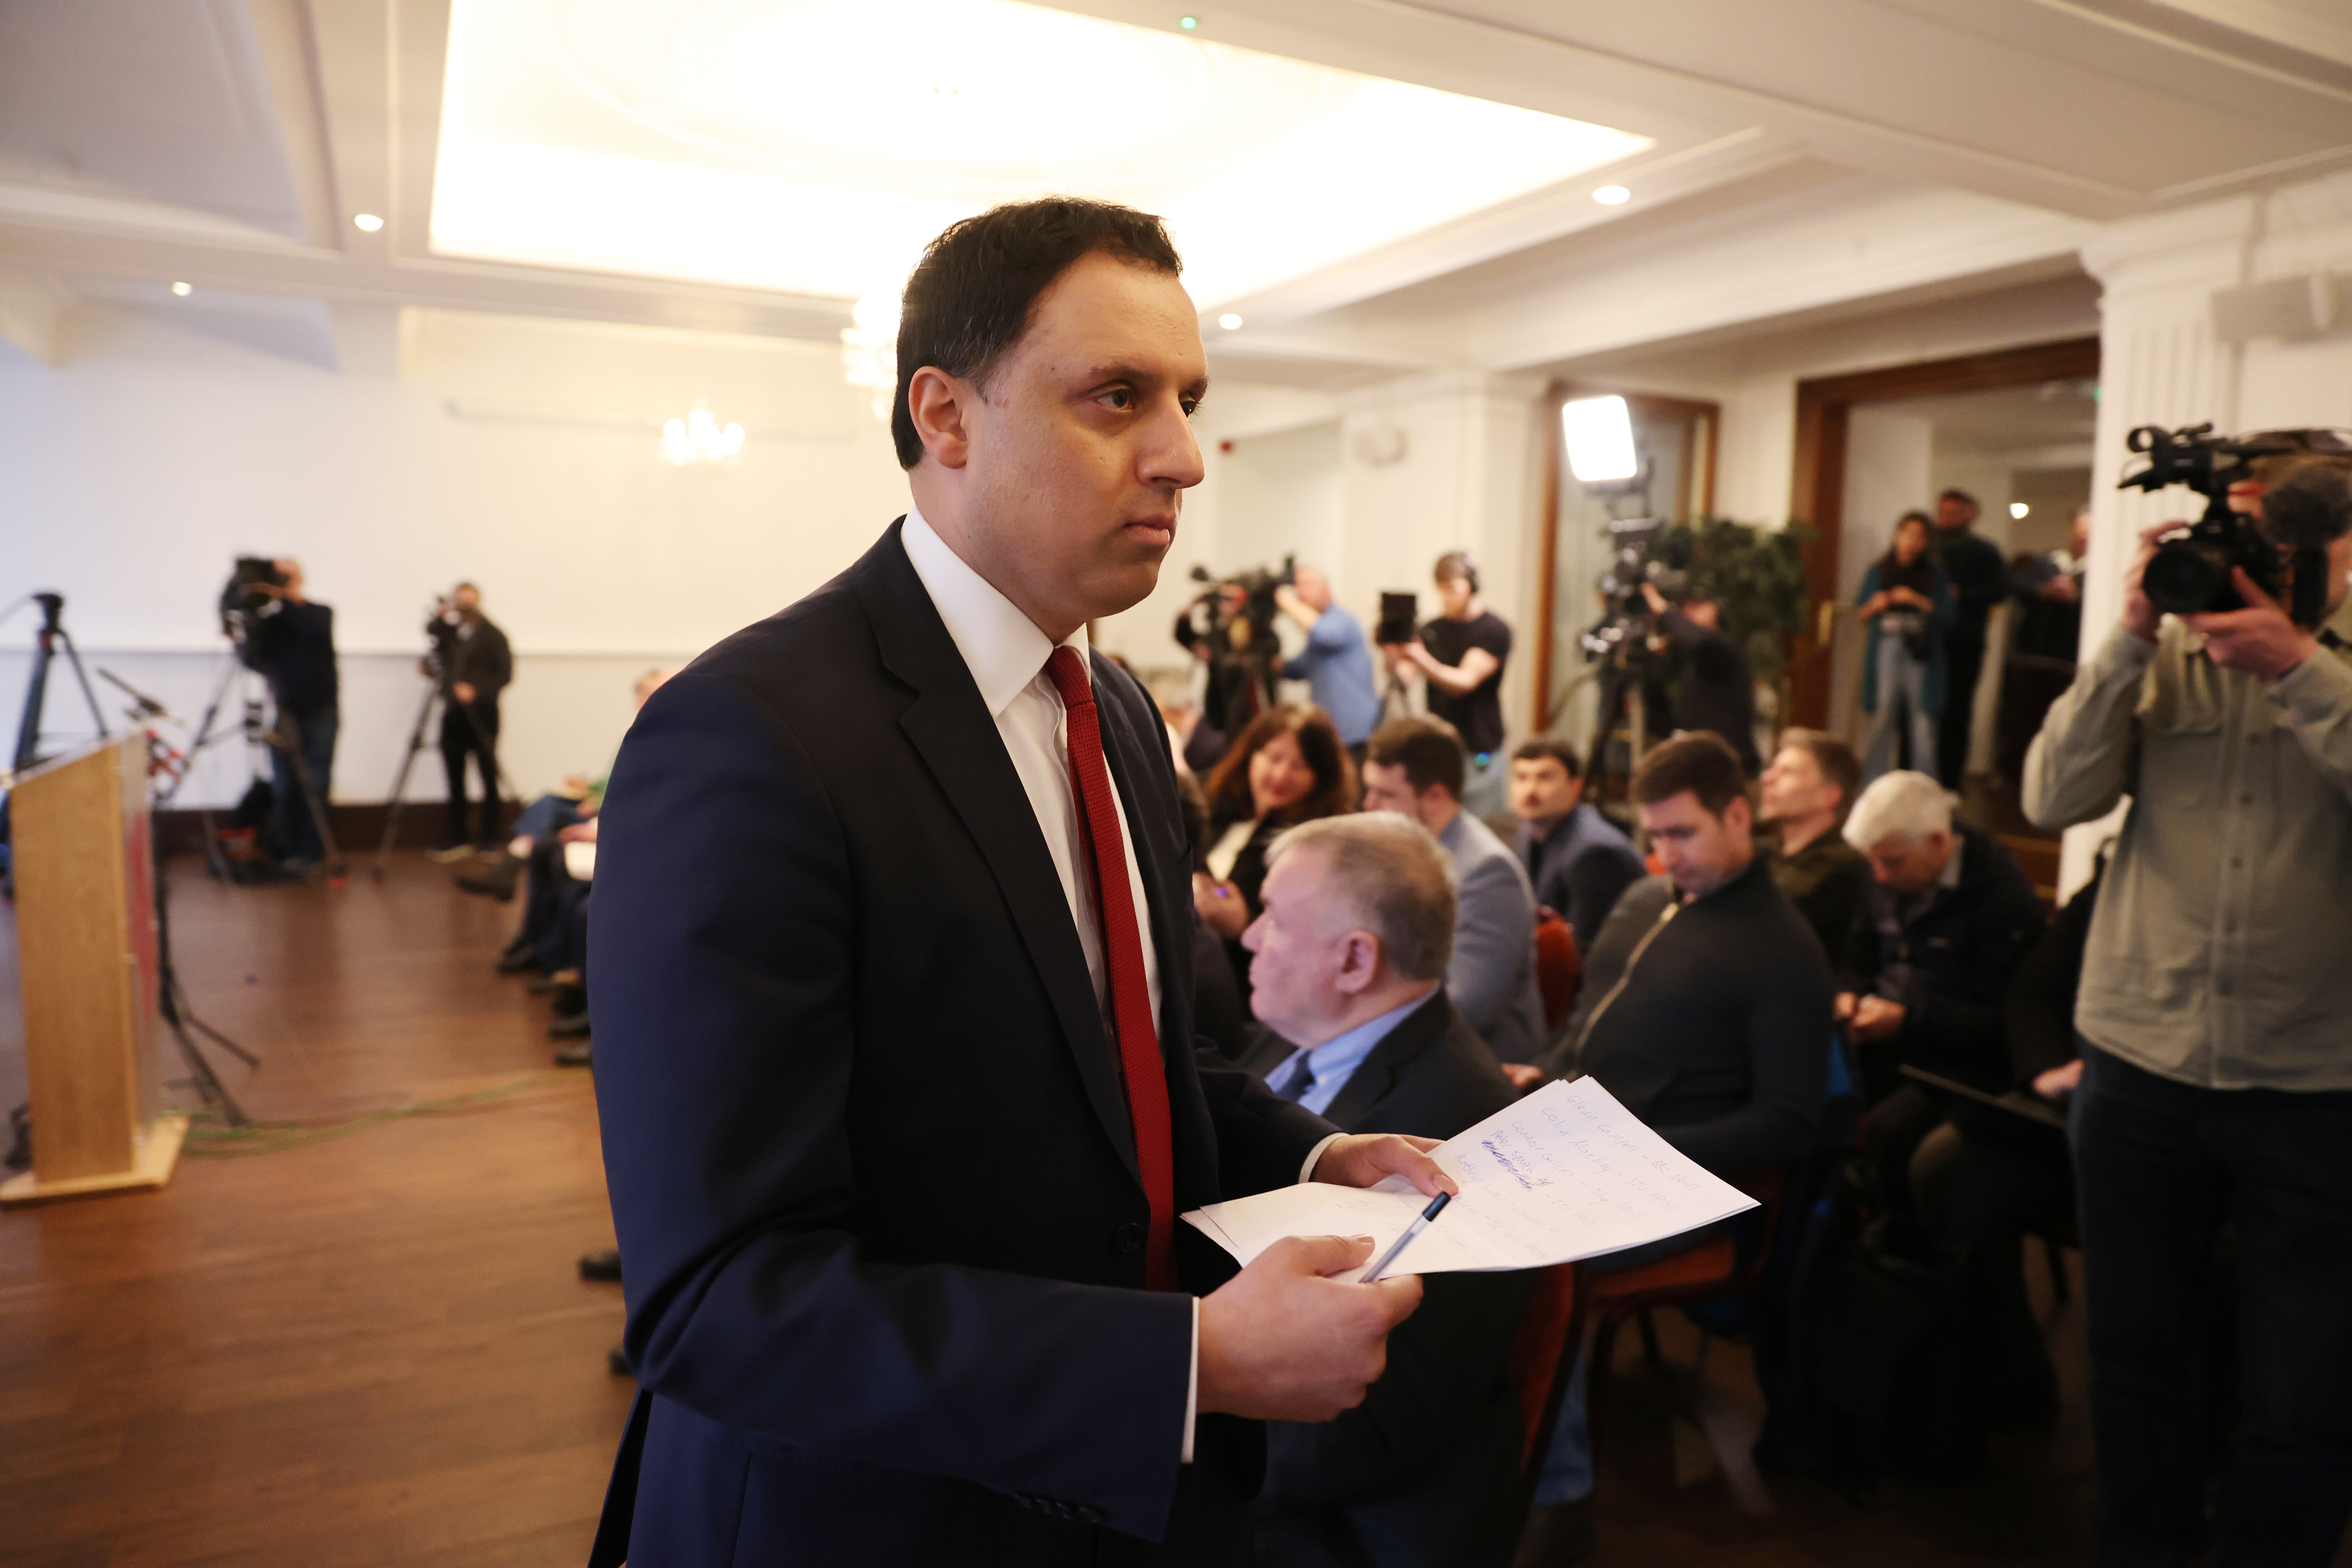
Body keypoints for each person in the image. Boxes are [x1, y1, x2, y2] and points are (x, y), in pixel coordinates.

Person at [587, 197, 1457, 1568]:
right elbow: (722, 1299)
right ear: (947, 418)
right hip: (878, 1521)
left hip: (1136, 1510)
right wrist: (1186, 1365)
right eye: (1118, 396)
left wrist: (1317, 1154)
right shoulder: (749, 734)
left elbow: (1135, 1068)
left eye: (1186, 399)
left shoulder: (1113, 710)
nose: (1180, 459)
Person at [2022, 443, 2352, 1567]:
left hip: (2316, 1085)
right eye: (2240, 527)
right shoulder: (2165, 654)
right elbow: (2053, 795)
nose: (2252, 554)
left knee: (2304, 1397)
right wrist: (2123, 642)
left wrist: (2305, 668)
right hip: (2138, 1069)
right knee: (2132, 1370)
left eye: (2280, 533)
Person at [1521, 733, 1832, 1556]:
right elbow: (1585, 1030)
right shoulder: (1660, 901)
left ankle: (1558, 1502)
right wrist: (1540, 1084)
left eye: (1684, 834)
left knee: (1522, 1266)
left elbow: (1790, 1121)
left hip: (1687, 1183)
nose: (1665, 854)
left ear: (1740, 814)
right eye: (1654, 836)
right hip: (1592, 1144)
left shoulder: (1783, 949)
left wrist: (1642, 1149)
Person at [1234, 814, 1532, 1568]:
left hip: (1338, 1523)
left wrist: (1168, 1422)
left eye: (1272, 915)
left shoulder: (1454, 1131)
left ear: (1355, 960)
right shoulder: (1291, 1038)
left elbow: (1372, 1436)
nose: (1249, 936)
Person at [1909, 856, 2102, 1437]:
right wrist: (2048, 1070)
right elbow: (2034, 991)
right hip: (2079, 1110)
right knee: (1948, 1166)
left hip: (2203, 1143)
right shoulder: (2118, 883)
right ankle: (2010, 1375)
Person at [1837, 770, 2045, 1241]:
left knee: (1891, 1131)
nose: (1881, 877)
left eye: (1892, 863)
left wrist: (1910, 1021)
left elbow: (2006, 1025)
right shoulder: (1886, 868)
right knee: (1809, 1095)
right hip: (1886, 1040)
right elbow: (1858, 957)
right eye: (1874, 862)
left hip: (1960, 1067)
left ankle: (1906, 1253)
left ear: (1936, 841)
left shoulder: (2004, 901)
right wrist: (1846, 993)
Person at [1361, 717, 1547, 1065]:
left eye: (1386, 794)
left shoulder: (1487, 873)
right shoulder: (1406, 852)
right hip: (1421, 1048)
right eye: (1368, 790)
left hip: (1480, 1067)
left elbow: (1468, 1009)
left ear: (1435, 797)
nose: (1369, 805)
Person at [1193, 705, 1357, 1009]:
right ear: (1250, 755)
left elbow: (1312, 950)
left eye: (1300, 766)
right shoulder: (1219, 809)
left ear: (1321, 778)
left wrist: (1242, 924)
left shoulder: (1313, 847)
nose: (1282, 774)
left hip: (1247, 996)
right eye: (1274, 758)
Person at [465, 667, 672, 901]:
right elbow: (613, 780)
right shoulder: (640, 732)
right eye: (639, 694)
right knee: (548, 808)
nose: (641, 700)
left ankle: (510, 867)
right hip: (602, 807)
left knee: (548, 822)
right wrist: (590, 788)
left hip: (614, 817)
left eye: (647, 693)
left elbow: (640, 790)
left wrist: (598, 803)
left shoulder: (661, 740)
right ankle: (514, 874)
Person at [1382, 552, 1512, 817]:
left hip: (1478, 749)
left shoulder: (1494, 630)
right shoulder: (1431, 629)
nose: (1446, 596)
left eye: (1452, 588)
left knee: (1483, 827)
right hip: (1441, 748)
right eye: (1441, 589)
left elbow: (1464, 682)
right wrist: (1395, 655)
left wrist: (1420, 657)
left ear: (1472, 585)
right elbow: (1403, 680)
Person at [1505, 736, 1644, 953]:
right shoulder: (1527, 830)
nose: (1530, 790)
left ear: (1576, 787)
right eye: (1521, 778)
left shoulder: (1596, 853)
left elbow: (1579, 952)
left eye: (1545, 778)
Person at [241, 557, 337, 873]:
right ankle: (287, 850)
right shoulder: (274, 622)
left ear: (301, 579)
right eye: (278, 577)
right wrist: (245, 622)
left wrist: (284, 598)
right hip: (285, 714)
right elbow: (255, 660)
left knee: (316, 783)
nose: (282, 582)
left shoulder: (319, 613)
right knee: (286, 785)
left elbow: (311, 631)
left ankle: (312, 853)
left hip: (321, 713)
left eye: (288, 576)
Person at [1757, 727, 1871, 970]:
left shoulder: (1843, 863)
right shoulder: (1764, 853)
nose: (1767, 778)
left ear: (1827, 796)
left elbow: (1765, 919)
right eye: (1772, 769)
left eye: (1787, 772)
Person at [1856, 511, 1955, 784]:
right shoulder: (1879, 572)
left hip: (1920, 652)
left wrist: (1916, 600)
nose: (1912, 541)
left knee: (1923, 723)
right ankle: (1872, 785)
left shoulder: (1934, 576)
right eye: (1907, 533)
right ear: (1897, 535)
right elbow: (1861, 614)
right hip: (1887, 646)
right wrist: (1875, 605)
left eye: (1920, 536)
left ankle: (1925, 787)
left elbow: (1949, 615)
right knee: (1882, 717)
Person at [427, 582, 513, 860]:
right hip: (454, 715)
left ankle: (490, 838)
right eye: (459, 602)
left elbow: (505, 675)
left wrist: (477, 690)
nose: (463, 607)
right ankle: (456, 837)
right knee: (454, 778)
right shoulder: (451, 636)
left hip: (483, 715)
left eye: (468, 602)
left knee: (488, 776)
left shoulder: (494, 635)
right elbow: (439, 662)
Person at [1930, 488, 2007, 788]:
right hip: (1927, 642)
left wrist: (1962, 595)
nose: (1946, 518)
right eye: (1943, 511)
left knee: (1955, 713)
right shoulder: (1928, 547)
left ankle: (1949, 781)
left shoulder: (1985, 552)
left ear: (1970, 514)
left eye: (1954, 512)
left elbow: (1999, 592)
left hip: (1963, 643)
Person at [1642, 582, 1759, 773]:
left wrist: (1664, 610)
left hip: (1729, 768)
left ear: (1718, 609)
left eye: (1697, 605)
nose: (1688, 614)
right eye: (1685, 608)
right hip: (1699, 764)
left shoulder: (1723, 649)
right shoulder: (1690, 659)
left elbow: (1699, 643)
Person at [1273, 566, 1380, 761]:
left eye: (1307, 584)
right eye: (1297, 586)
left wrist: (1286, 602)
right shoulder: (1318, 632)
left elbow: (1324, 634)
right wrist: (1275, 665)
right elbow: (1300, 668)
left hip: (1355, 734)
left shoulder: (1342, 620)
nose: (1300, 592)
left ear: (1326, 589)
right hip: (1330, 733)